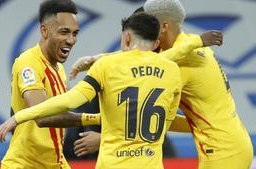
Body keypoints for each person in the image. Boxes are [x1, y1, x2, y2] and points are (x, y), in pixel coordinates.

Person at [0, 13, 222, 168]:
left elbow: (70, 100)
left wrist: (19, 116)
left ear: (125, 37)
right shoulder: (171, 71)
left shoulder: (107, 66)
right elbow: (167, 121)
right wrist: (202, 126)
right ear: (156, 44)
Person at [69, 1, 254, 168]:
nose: (144, 31)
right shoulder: (186, 43)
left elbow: (137, 77)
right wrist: (96, 59)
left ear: (164, 26)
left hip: (223, 152)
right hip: (230, 143)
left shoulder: (184, 58)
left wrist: (104, 138)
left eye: (149, 25)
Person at [0, 1, 100, 169]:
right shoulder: (28, 62)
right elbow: (43, 116)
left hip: (55, 162)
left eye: (75, 33)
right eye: (64, 32)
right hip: (25, 165)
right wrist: (94, 118)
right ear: (44, 30)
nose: (71, 40)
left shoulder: (59, 68)